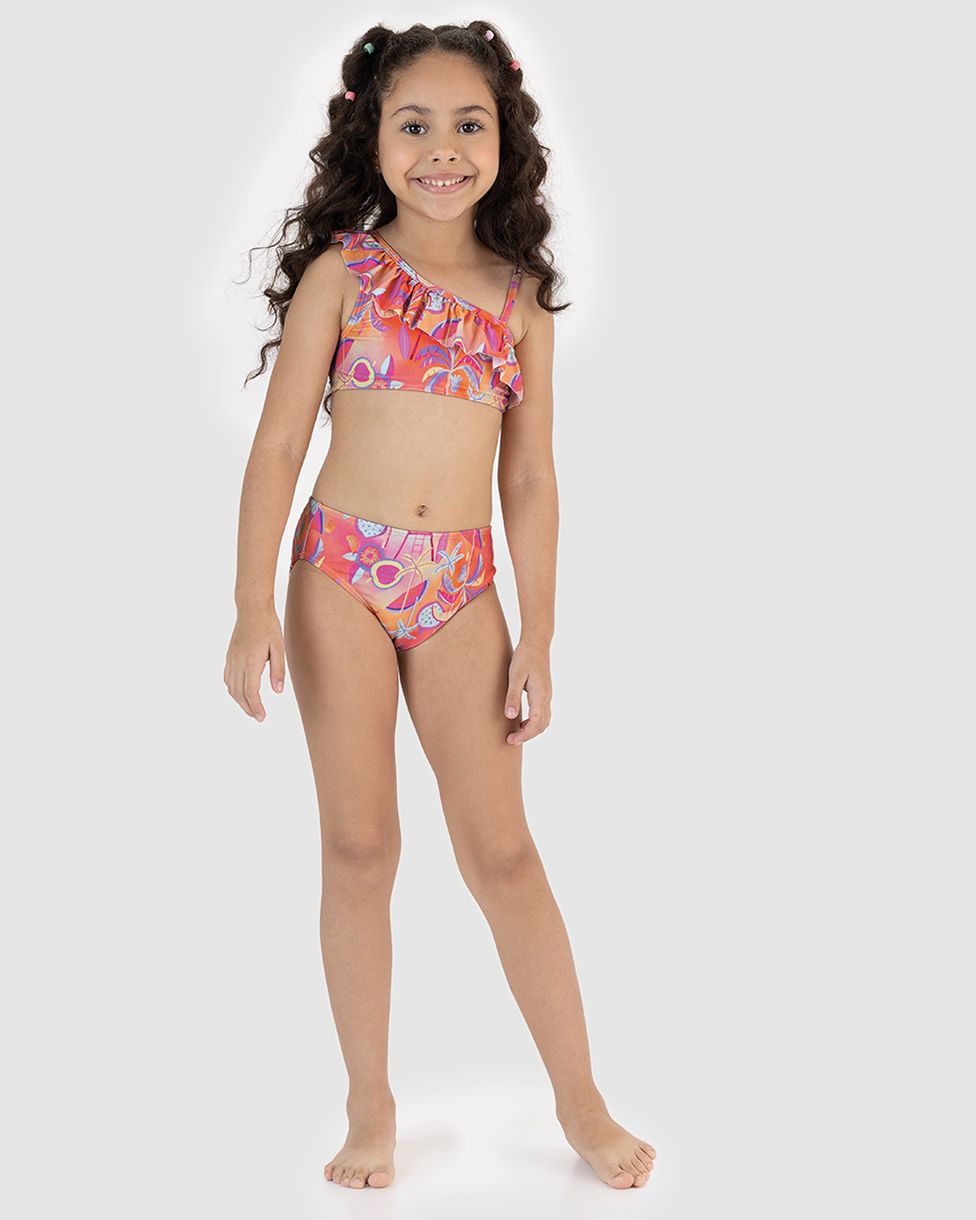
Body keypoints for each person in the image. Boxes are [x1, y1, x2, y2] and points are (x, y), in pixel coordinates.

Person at [223, 20, 656, 1192]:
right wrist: (252, 602)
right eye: (413, 125)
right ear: (371, 137)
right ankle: (369, 1101)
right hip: (341, 574)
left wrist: (540, 630)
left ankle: (580, 1097)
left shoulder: (520, 301)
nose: (441, 150)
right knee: (361, 843)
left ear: (505, 138)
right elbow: (278, 446)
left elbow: (530, 476)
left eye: (469, 124)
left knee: (502, 849)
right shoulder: (343, 276)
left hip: (461, 585)